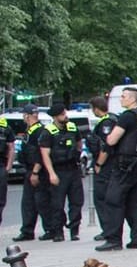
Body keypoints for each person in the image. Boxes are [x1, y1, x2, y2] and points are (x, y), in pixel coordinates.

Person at [94, 88, 137, 252]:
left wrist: (107, 138)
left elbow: (112, 140)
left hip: (124, 163)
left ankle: (113, 240)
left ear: (132, 99)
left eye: (123, 96)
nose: (121, 99)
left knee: (113, 199)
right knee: (134, 202)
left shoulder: (127, 115)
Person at [36, 105, 86, 242]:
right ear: (55, 116)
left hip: (73, 169)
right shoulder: (48, 132)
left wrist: (77, 154)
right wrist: (51, 174)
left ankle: (74, 230)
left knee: (77, 201)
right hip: (58, 170)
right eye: (62, 114)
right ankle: (58, 232)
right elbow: (45, 155)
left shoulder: (72, 127)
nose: (65, 115)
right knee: (57, 204)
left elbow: (79, 143)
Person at [15, 105, 45, 242]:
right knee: (31, 202)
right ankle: (28, 230)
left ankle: (47, 229)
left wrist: (35, 172)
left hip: (35, 170)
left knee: (35, 202)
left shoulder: (38, 131)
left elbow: (39, 154)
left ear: (27, 116)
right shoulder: (32, 130)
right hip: (31, 169)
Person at [87, 95, 112, 236]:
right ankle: (108, 229)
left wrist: (98, 164)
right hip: (108, 166)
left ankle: (107, 230)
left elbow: (105, 146)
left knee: (101, 198)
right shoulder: (109, 121)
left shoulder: (105, 123)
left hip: (105, 167)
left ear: (96, 109)